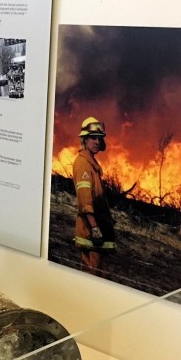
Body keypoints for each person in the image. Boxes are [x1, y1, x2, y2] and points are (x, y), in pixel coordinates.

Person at [72, 117, 115, 273]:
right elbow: (85, 200)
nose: (96, 142)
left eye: (99, 138)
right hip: (92, 231)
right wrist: (95, 227)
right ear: (84, 139)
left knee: (100, 274)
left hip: (99, 228)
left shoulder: (92, 164)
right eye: (92, 138)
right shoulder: (83, 164)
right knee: (92, 273)